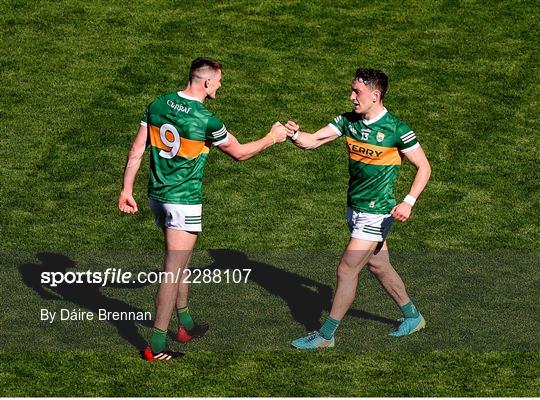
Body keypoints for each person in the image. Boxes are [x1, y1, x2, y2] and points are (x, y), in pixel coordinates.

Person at [118, 57, 287, 361]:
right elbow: (239, 153)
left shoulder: (158, 104)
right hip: (183, 202)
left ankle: (185, 325)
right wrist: (272, 138)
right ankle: (155, 346)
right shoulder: (206, 120)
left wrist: (126, 190)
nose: (220, 85)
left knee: (180, 261)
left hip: (157, 196)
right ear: (207, 82)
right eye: (219, 81)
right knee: (172, 271)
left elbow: (135, 151)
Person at [286, 68, 431, 349]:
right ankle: (412, 316)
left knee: (346, 269)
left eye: (357, 92)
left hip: (376, 213)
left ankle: (326, 335)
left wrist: (408, 202)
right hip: (354, 208)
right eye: (352, 90)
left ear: (375, 95)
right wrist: (294, 135)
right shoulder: (348, 121)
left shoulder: (396, 129)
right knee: (378, 265)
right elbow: (313, 140)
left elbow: (424, 167)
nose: (352, 97)